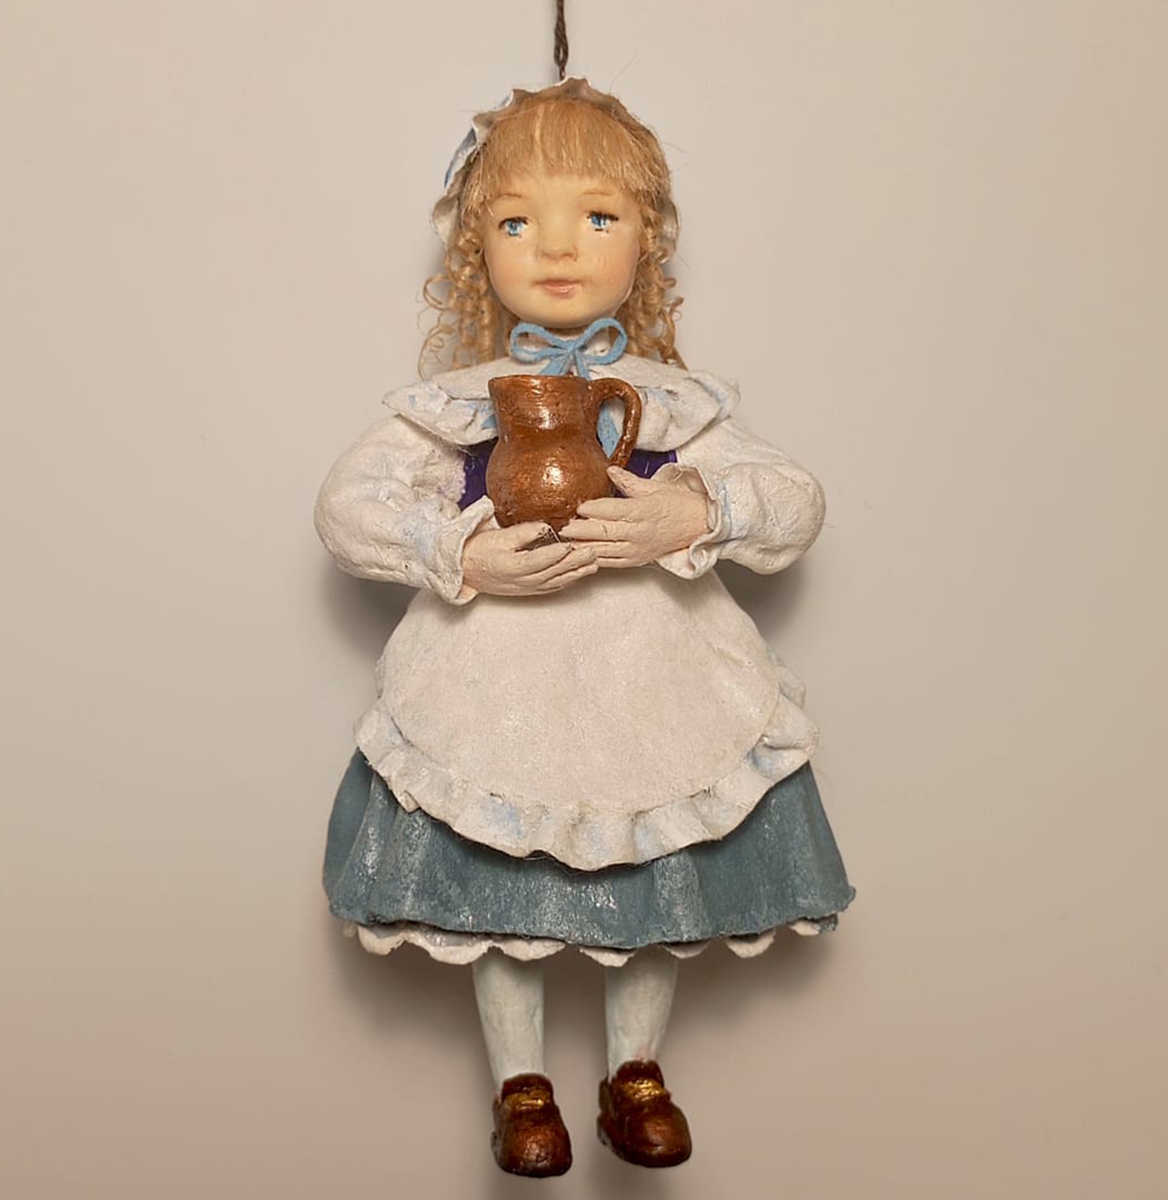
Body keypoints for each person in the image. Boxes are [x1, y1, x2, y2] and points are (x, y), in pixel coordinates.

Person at [316, 78, 854, 1177]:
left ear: (646, 239)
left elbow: (793, 501)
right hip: (492, 681)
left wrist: (691, 513)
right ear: (477, 250)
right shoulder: (460, 401)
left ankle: (635, 1072)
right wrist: (456, 552)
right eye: (519, 222)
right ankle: (520, 1084)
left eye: (596, 216)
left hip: (654, 675)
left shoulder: (678, 400)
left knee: (651, 861)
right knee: (497, 870)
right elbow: (346, 508)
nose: (558, 247)